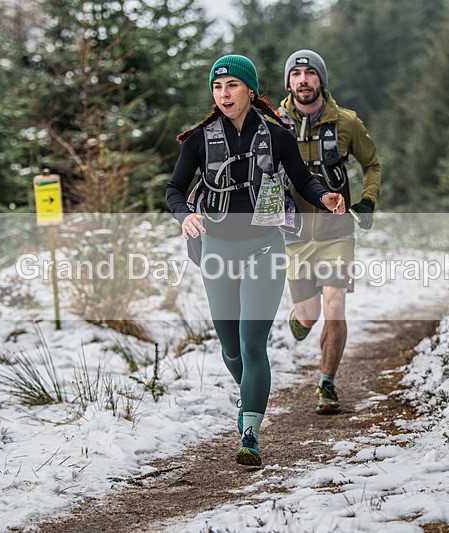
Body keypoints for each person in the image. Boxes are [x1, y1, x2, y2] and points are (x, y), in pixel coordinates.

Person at [165, 54, 346, 466]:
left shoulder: (277, 136)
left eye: (232, 85)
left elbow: (302, 180)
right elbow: (174, 189)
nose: (224, 94)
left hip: (265, 247)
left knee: (251, 343)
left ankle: (250, 433)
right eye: (217, 87)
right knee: (231, 350)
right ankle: (250, 394)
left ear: (250, 90)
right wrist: (185, 215)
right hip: (217, 250)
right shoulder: (199, 140)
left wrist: (325, 197)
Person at [278, 50, 381, 415]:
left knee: (334, 306)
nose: (303, 80)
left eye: (310, 73)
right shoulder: (273, 124)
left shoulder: (346, 122)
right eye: (296, 74)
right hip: (294, 234)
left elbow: (372, 164)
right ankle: (302, 318)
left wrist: (367, 201)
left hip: (337, 230)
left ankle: (327, 383)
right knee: (309, 316)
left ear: (321, 80)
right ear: (288, 82)